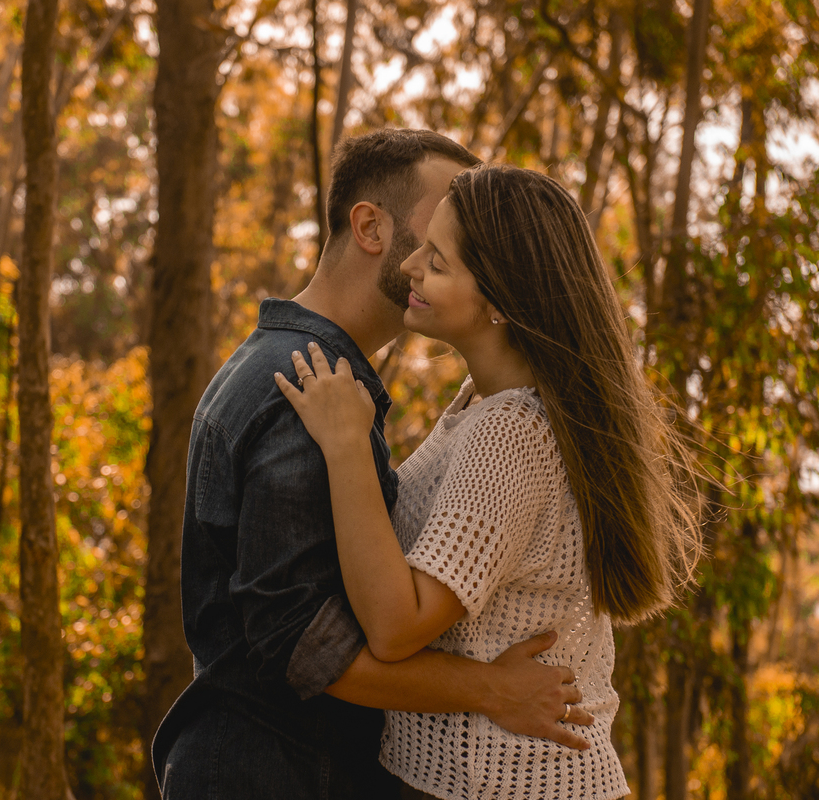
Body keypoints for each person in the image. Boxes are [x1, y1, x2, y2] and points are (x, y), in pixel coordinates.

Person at [152, 132, 596, 800]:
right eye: (435, 229)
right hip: (273, 774)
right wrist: (491, 689)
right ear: (369, 226)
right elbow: (303, 641)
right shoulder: (306, 385)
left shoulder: (309, 374)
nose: (429, 256)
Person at [275, 164, 703, 799]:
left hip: (505, 782)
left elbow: (397, 626)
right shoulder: (486, 404)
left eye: (439, 262)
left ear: (501, 302)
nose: (410, 266)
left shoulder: (512, 435)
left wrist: (345, 449)